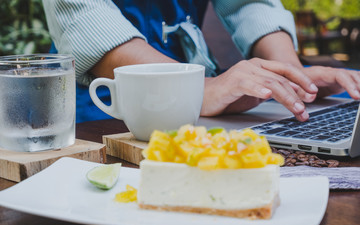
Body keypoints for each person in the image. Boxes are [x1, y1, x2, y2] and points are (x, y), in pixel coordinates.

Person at [42, 0, 360, 123]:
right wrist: (199, 90)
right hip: (104, 116)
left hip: (204, 113)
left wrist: (293, 78)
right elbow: (85, 17)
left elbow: (249, 3)